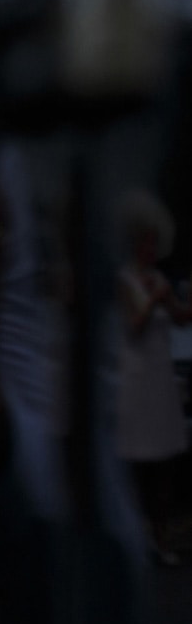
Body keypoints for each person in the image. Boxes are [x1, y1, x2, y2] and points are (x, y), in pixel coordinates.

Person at [113, 190, 192, 566]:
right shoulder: (125, 279)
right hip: (137, 382)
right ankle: (139, 535)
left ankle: (161, 539)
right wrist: (155, 298)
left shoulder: (158, 277)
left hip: (160, 382)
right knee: (140, 466)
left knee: (163, 466)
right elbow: (135, 324)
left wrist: (178, 300)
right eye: (146, 239)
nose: (151, 246)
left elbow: (180, 317)